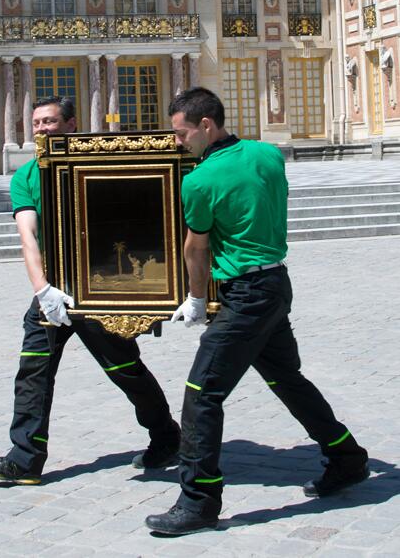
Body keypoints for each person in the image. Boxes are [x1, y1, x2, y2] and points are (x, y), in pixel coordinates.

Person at [145, 87, 369, 536]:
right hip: (275, 282)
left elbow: (196, 246)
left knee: (201, 393)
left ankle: (199, 500)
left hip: (246, 294)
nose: (176, 142)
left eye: (180, 132)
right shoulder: (268, 155)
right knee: (287, 378)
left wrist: (193, 298)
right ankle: (347, 457)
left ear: (205, 125)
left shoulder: (199, 179)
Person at [0, 96, 180, 484]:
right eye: (36, 123)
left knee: (124, 369)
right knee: (33, 369)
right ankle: (25, 458)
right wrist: (43, 291)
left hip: (100, 287)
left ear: (71, 125)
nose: (41, 130)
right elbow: (28, 237)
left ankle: (166, 435)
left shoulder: (100, 164)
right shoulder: (26, 176)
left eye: (50, 122)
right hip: (53, 290)